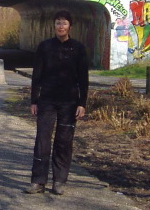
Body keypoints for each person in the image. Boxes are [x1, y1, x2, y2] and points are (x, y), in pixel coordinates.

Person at [24, 10, 89, 196]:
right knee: (42, 140)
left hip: (69, 101)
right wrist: (34, 100)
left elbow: (83, 78)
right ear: (54, 26)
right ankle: (38, 181)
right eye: (58, 23)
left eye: (64, 23)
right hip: (47, 100)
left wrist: (82, 103)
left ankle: (59, 181)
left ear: (70, 26)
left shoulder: (78, 48)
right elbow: (37, 75)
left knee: (64, 141)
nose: (61, 26)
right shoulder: (45, 47)